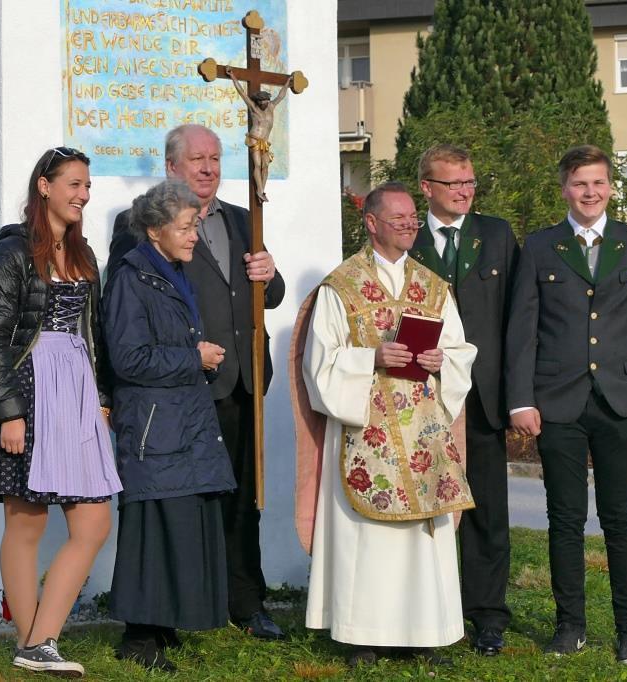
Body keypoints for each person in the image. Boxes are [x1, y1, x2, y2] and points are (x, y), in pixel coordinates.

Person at [505, 145, 627, 665]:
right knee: (564, 520)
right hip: (556, 402)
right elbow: (521, 331)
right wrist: (520, 399)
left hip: (622, 402)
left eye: (598, 183)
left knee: (621, 519)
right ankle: (570, 626)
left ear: (610, 188)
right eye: (580, 184)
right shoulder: (540, 247)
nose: (590, 193)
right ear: (564, 189)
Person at [108, 124, 287, 640]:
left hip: (244, 379)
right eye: (197, 160)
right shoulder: (140, 225)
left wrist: (270, 275)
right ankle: (183, 605)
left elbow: (267, 298)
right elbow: (129, 303)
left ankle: (246, 601)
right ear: (172, 167)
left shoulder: (244, 219)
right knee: (185, 503)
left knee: (244, 498)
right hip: (185, 388)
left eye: (215, 158)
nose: (209, 168)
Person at [291, 182, 478, 667]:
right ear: (371, 223)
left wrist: (441, 361)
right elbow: (320, 362)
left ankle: (424, 633)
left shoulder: (433, 287)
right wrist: (371, 357)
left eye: (413, 218)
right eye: (399, 218)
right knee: (366, 538)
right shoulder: (342, 286)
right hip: (366, 430)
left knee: (420, 542)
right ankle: (363, 637)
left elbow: (460, 350)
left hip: (422, 432)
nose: (410, 225)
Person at [0, 146, 123, 677]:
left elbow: (94, 333)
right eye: (74, 185)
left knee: (94, 522)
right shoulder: (11, 251)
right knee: (26, 521)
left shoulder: (83, 254)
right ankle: (32, 643)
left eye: (87, 186)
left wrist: (101, 397)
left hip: (76, 388)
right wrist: (8, 413)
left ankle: (39, 640)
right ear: (45, 186)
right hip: (28, 389)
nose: (84, 195)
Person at [103, 180, 237, 672]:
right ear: (155, 230)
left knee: (180, 521)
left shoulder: (171, 273)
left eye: (195, 226)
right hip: (154, 425)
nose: (194, 236)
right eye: (184, 227)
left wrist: (200, 361)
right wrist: (193, 358)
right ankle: (139, 638)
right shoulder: (131, 278)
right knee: (153, 527)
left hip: (181, 419)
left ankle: (162, 624)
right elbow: (129, 358)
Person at [409, 144, 519, 656]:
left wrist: (518, 394)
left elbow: (518, 319)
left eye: (470, 182)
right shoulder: (406, 237)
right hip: (419, 397)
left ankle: (487, 615)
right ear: (426, 188)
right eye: (453, 183)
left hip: (482, 397)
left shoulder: (496, 236)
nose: (465, 191)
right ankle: (424, 611)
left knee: (486, 511)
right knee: (423, 506)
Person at [227, 67, 292, 203]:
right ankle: (259, 190)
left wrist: (288, 82)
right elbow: (242, 92)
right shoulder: (253, 108)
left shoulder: (271, 107)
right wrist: (232, 76)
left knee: (265, 166)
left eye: (266, 100)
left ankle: (262, 190)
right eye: (261, 101)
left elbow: (281, 95)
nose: (264, 103)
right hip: (254, 140)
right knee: (257, 164)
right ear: (258, 101)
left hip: (265, 142)